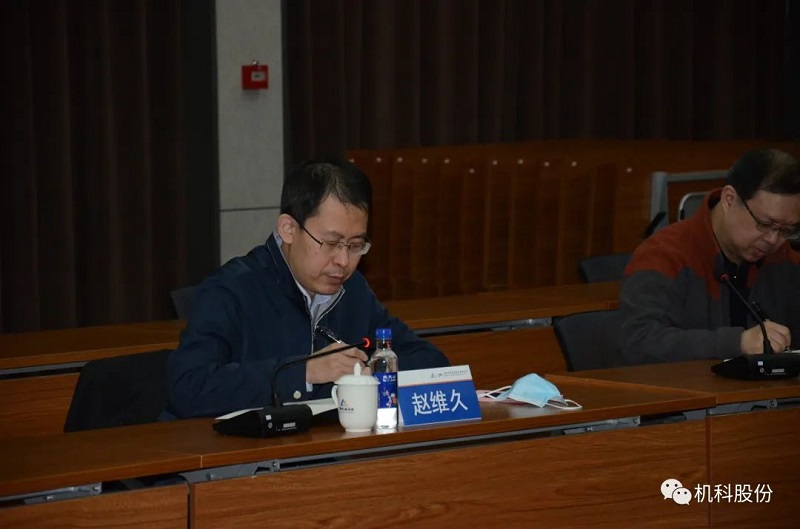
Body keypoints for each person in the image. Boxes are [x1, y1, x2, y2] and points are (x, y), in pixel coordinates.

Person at [164, 157, 450, 419]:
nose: (343, 261)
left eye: (355, 245)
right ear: (288, 229)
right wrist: (305, 373)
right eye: (331, 243)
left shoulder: (353, 290)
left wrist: (374, 373)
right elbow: (187, 387)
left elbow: (430, 360)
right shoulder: (231, 289)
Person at [619, 148, 800, 365]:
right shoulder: (664, 255)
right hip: (683, 386)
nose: (773, 240)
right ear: (729, 199)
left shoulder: (785, 260)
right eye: (765, 224)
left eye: (786, 230)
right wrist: (736, 343)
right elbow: (638, 342)